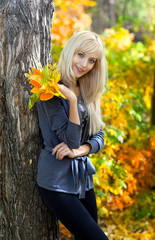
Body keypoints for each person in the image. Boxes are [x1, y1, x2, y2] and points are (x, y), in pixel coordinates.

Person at [36, 30, 109, 240]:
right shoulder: (49, 87)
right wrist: (71, 101)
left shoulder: (87, 88)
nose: (85, 64)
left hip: (82, 179)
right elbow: (70, 140)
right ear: (70, 51)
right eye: (81, 55)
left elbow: (99, 136)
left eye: (92, 60)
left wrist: (78, 152)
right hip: (56, 181)